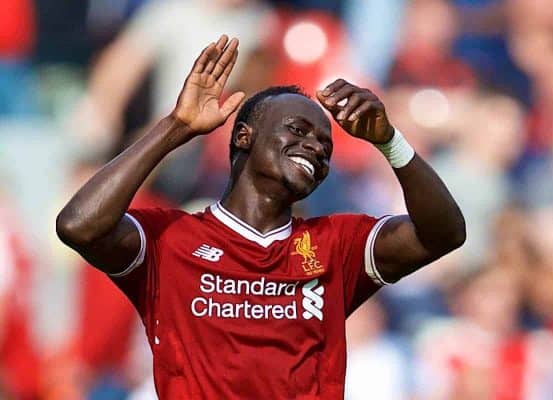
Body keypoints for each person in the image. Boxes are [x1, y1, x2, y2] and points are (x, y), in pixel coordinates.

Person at [56, 35, 465, 398]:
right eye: (298, 130)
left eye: (325, 144)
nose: (316, 148)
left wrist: (390, 142)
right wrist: (175, 127)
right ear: (244, 136)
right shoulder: (171, 238)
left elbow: (443, 234)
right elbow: (79, 225)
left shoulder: (337, 245)